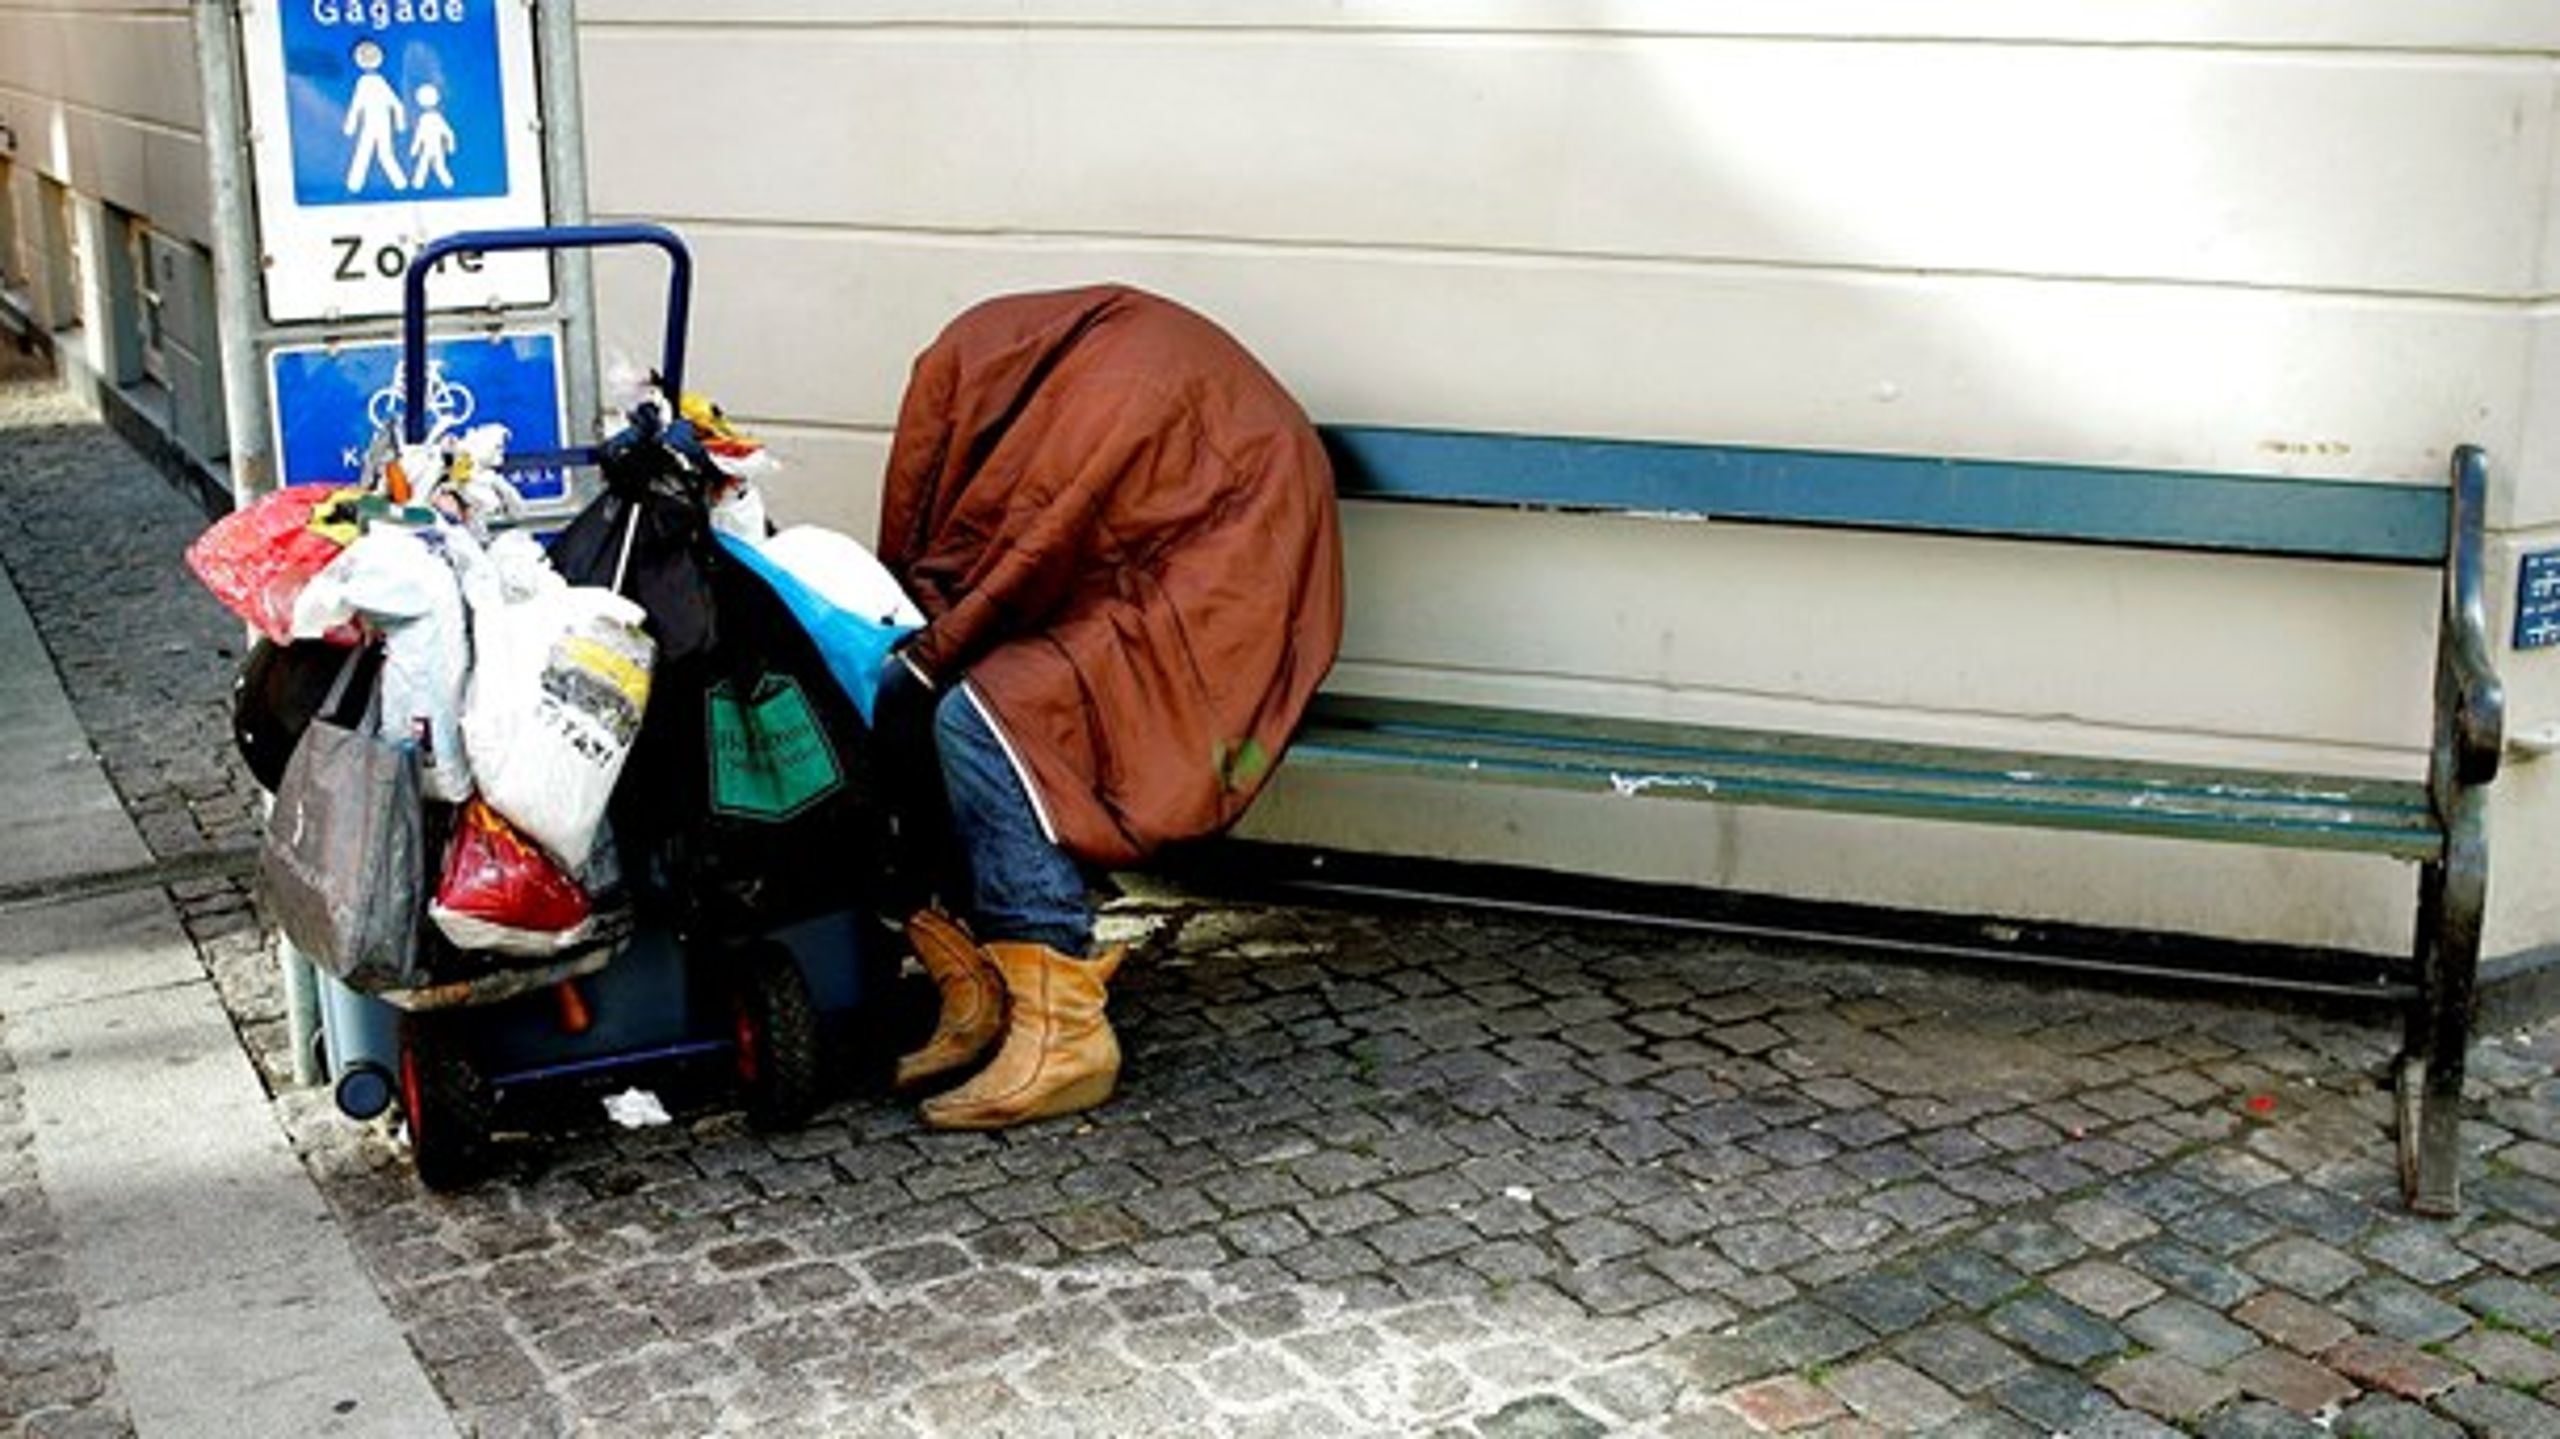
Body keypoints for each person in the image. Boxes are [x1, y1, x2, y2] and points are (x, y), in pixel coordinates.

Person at [872, 285, 1343, 1130]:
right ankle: (983, 985)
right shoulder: (1075, 368)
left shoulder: (1098, 395)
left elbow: (1025, 556)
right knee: (942, 699)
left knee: (987, 718)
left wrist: (927, 653)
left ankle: (1063, 1027)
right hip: (1182, 571)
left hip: (1232, 600)